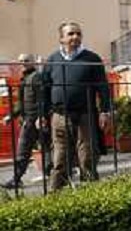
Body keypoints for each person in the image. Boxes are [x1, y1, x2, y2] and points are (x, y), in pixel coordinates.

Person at [42, 21, 111, 191]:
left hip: (85, 115)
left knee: (87, 157)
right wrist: (42, 115)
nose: (75, 37)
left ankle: (90, 194)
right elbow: (44, 89)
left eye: (78, 33)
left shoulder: (92, 59)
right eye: (71, 34)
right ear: (61, 38)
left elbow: (102, 87)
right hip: (59, 116)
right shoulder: (52, 60)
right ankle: (54, 195)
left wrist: (105, 111)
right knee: (59, 159)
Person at [1, 54, 51, 189]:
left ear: (33, 62)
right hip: (30, 120)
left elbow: (42, 99)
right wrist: (11, 116)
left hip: (33, 120)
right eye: (21, 61)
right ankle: (50, 173)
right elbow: (22, 103)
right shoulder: (25, 78)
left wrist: (40, 117)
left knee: (23, 150)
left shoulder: (35, 77)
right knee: (45, 146)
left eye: (26, 60)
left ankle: (17, 179)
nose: (23, 63)